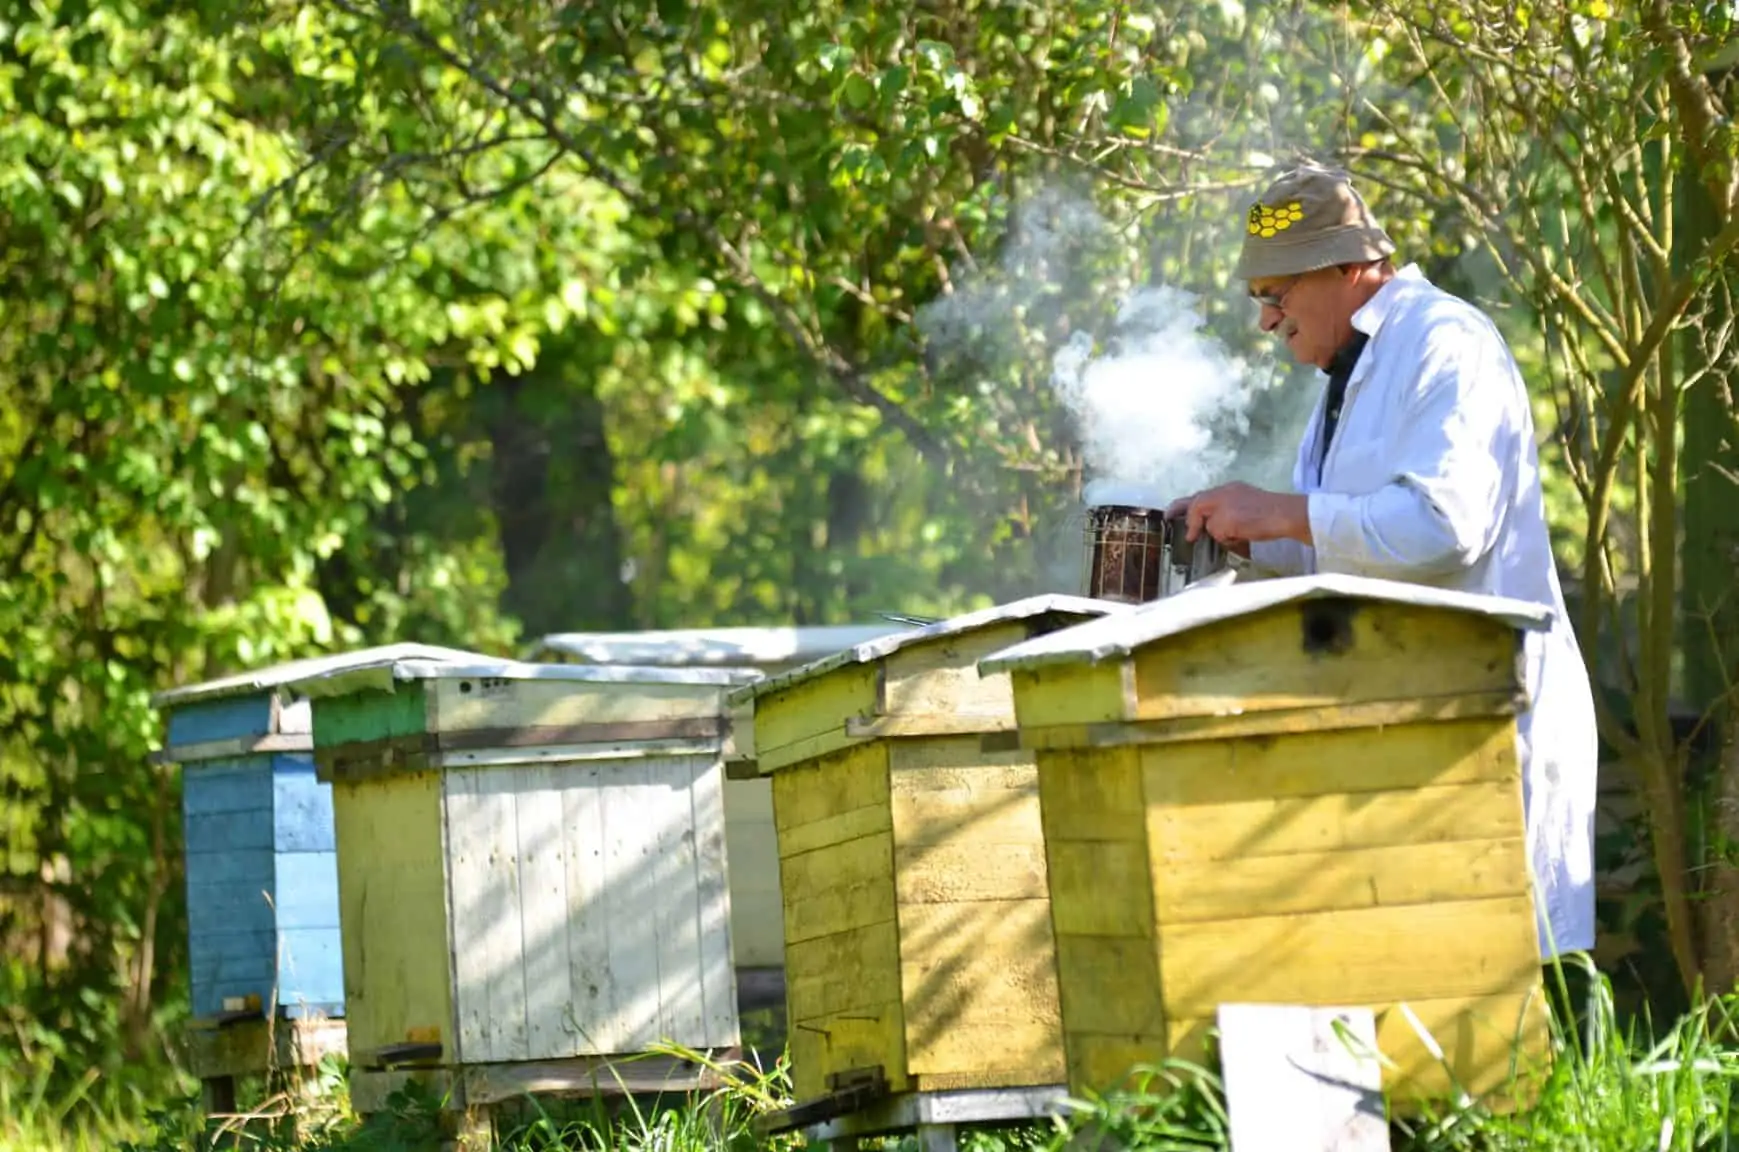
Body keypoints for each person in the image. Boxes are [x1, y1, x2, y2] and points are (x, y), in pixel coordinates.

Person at [1173, 163, 1599, 974]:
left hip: (1484, 718)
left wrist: (1282, 512)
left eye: (1275, 292)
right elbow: (1343, 542)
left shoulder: (1446, 344)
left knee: (1495, 1000)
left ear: (1343, 266)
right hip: (1407, 726)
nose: (1265, 321)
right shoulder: (1349, 373)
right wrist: (1240, 532)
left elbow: (1446, 525)